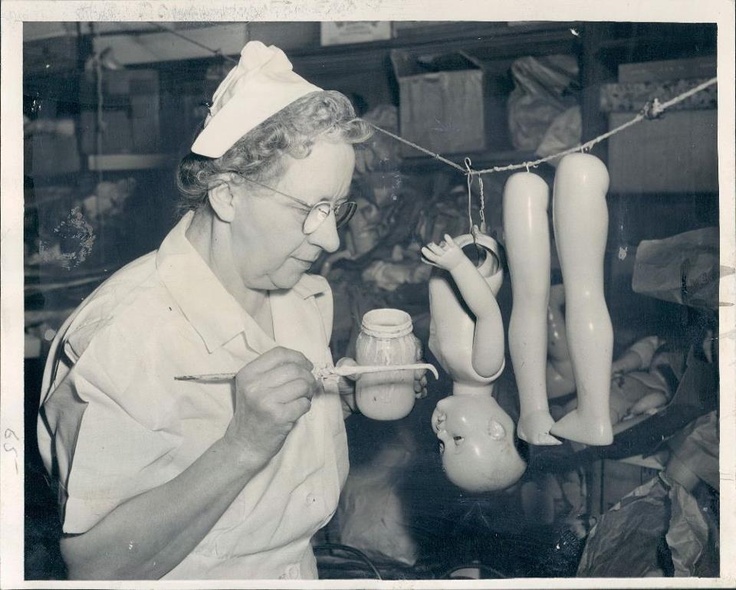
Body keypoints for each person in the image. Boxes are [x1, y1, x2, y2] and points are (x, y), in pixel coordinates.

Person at [37, 40, 376, 580]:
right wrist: (242, 445)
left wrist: (340, 399)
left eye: (335, 208)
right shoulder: (123, 336)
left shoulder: (301, 295)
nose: (332, 239)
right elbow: (95, 569)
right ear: (227, 196)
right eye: (310, 209)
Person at [422, 232, 526, 492]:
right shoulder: (484, 369)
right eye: (457, 438)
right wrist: (457, 264)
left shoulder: (454, 373)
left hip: (457, 262)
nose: (440, 433)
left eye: (442, 445)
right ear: (495, 430)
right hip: (464, 265)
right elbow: (488, 312)